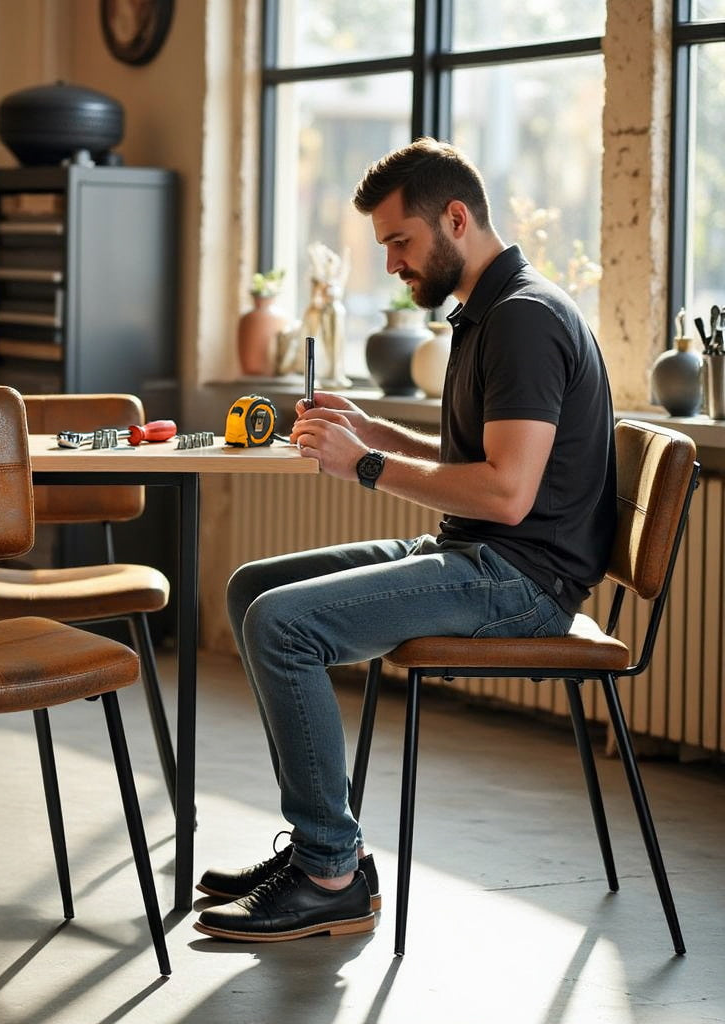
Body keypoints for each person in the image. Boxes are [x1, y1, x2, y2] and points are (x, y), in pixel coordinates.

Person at [194, 137, 617, 943]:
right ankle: (323, 851)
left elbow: (506, 491)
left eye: (401, 241)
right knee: (252, 588)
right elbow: (480, 463)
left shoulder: (523, 320)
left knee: (281, 626)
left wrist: (368, 464)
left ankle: (329, 870)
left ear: (456, 218)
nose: (391, 262)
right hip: (477, 557)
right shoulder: (489, 311)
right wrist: (371, 428)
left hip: (520, 583)